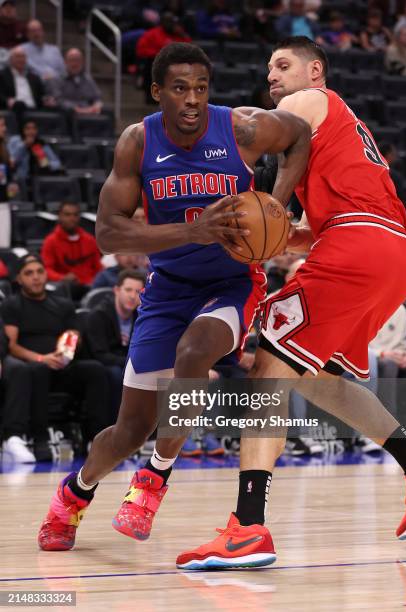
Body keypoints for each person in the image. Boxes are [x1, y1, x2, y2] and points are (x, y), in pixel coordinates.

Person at [37, 42, 311, 552]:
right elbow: (110, 235)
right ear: (157, 91)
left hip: (232, 282)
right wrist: (193, 231)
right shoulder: (138, 143)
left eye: (201, 89)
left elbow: (299, 135)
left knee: (194, 352)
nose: (192, 100)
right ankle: (75, 493)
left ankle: (156, 477)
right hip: (167, 289)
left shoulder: (241, 128)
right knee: (128, 431)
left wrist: (278, 200)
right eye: (180, 89)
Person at [177, 36, 406, 570]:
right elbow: (308, 228)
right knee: (316, 376)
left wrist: (194, 121)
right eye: (268, 67)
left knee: (268, 371)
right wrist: (276, 234)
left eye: (283, 65)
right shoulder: (344, 130)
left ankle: (248, 527)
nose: (272, 75)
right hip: (388, 249)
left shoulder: (308, 102)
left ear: (316, 71)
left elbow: (253, 126)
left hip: (356, 245)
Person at [1, 253, 110, 462]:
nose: (36, 277)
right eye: (29, 273)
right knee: (37, 369)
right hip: (32, 367)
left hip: (62, 364)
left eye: (40, 272)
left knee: (95, 369)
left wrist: (65, 353)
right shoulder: (12, 305)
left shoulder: (64, 304)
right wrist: (42, 358)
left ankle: (95, 438)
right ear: (19, 279)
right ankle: (40, 439)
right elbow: (11, 345)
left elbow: (74, 334)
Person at [86, 269, 145, 420]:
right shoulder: (98, 315)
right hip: (105, 364)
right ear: (116, 290)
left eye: (138, 291)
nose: (132, 296)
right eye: (128, 290)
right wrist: (131, 364)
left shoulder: (142, 316)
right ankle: (116, 429)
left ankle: (154, 433)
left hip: (127, 363)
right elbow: (99, 353)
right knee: (116, 374)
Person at [41, 201, 102, 299]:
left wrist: (98, 280)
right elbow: (46, 269)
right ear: (60, 216)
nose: (72, 218)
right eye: (67, 215)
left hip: (90, 287)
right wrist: (62, 278)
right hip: (65, 289)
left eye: (75, 215)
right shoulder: (50, 241)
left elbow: (98, 267)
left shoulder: (90, 240)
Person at [0, 46, 49, 125]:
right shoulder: (2, 75)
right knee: (19, 104)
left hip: (34, 108)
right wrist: (7, 101)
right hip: (15, 108)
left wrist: (47, 100)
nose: (21, 59)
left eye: (23, 57)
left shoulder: (34, 77)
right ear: (11, 59)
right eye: (18, 57)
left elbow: (42, 95)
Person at [50, 48, 103, 115]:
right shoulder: (57, 79)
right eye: (72, 60)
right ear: (65, 62)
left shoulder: (87, 79)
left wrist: (97, 106)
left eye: (77, 60)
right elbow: (58, 100)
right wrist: (77, 109)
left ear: (82, 62)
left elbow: (97, 97)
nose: (75, 64)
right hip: (67, 114)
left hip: (88, 114)